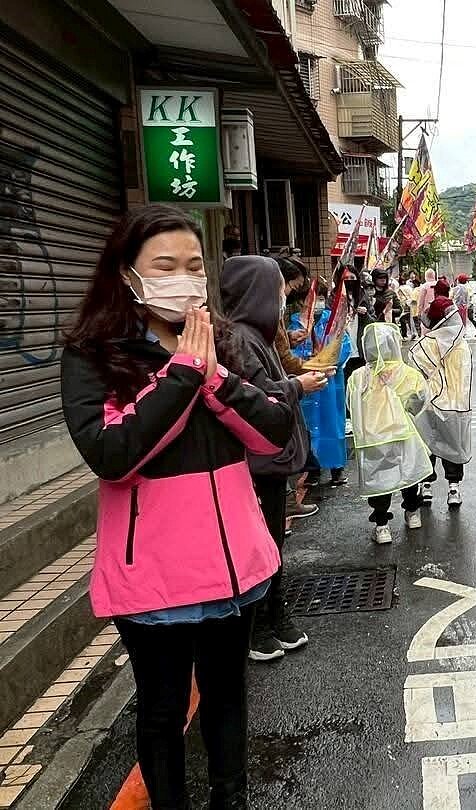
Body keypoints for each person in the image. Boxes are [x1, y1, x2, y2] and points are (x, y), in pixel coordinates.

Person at [61, 205, 293, 809]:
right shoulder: (93, 355)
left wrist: (215, 379)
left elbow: (273, 433)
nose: (183, 277)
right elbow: (113, 454)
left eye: (193, 265)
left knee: (226, 696)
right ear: (127, 274)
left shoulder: (219, 344)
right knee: (163, 708)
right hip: (155, 576)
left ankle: (231, 798)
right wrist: (184, 374)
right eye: (163, 265)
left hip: (232, 566)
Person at [220, 255, 329, 662]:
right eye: (279, 291)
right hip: (255, 459)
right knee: (261, 542)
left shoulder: (256, 335)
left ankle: (273, 615)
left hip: (268, 459)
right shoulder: (239, 339)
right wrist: (298, 385)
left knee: (272, 540)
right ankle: (258, 625)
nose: (284, 298)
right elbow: (256, 396)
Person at [347, 323, 433, 544]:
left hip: (371, 439)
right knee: (409, 474)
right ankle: (413, 513)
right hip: (402, 433)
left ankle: (382, 525)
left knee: (379, 483)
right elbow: (419, 399)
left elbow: (350, 404)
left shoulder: (358, 377)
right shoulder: (406, 373)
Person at [410, 295, 473, 509]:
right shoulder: (461, 344)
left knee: (428, 443)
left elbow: (416, 376)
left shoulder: (423, 346)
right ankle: (453, 488)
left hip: (428, 404)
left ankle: (426, 486)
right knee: (453, 444)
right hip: (456, 405)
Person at [288, 284, 352, 488]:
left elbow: (344, 346)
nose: (316, 303)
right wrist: (306, 362)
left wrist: (327, 361)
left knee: (332, 425)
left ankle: (336, 469)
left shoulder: (332, 321)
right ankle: (312, 470)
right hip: (308, 383)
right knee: (309, 428)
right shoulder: (295, 325)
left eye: (320, 298)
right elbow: (289, 355)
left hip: (330, 383)